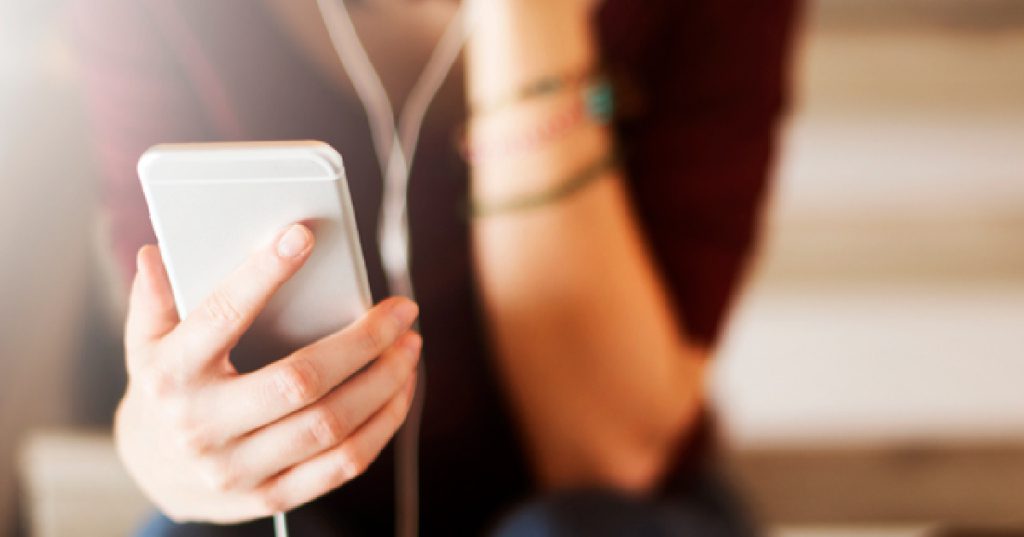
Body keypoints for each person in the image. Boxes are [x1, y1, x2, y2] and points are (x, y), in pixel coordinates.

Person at [71, 0, 797, 534]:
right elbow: (169, 340)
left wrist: (527, 26)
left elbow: (606, 456)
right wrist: (165, 449)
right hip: (287, 509)